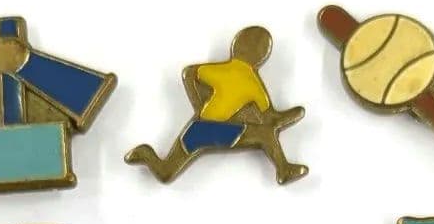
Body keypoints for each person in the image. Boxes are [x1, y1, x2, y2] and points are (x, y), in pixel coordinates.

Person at [126, 27, 307, 185]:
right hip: (218, 130)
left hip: (196, 127)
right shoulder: (253, 83)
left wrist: (199, 105)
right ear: (260, 57)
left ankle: (146, 154)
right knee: (265, 134)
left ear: (235, 48)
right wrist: (291, 116)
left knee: (166, 172)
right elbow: (270, 119)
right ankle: (283, 169)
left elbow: (189, 73)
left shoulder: (221, 70)